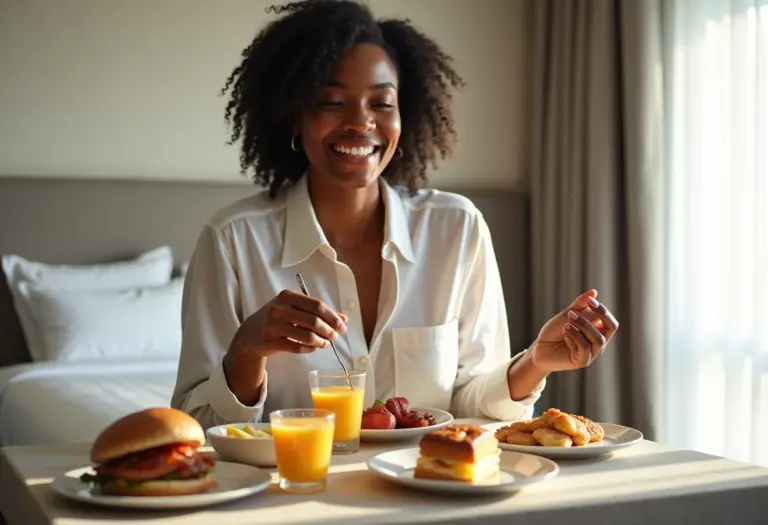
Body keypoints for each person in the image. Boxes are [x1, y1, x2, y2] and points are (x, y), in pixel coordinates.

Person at [171, 0, 619, 430]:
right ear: (295, 117)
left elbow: (467, 402)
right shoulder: (233, 241)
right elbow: (195, 430)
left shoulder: (456, 229)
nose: (359, 122)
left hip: (429, 494)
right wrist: (249, 349)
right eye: (332, 101)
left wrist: (535, 362)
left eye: (381, 103)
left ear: (406, 116)